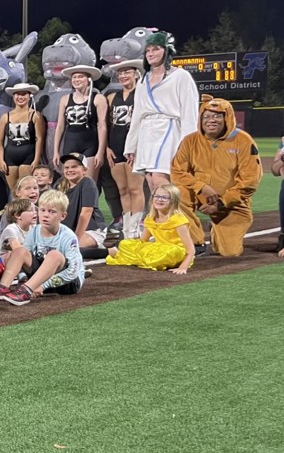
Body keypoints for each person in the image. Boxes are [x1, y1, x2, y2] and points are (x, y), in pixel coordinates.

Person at [170, 96, 262, 257]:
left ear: (227, 118)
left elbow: (250, 181)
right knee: (177, 192)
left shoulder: (243, 140)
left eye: (217, 116)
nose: (211, 120)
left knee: (229, 253)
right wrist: (202, 187)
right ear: (200, 119)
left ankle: (217, 228)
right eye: (206, 116)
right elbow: (177, 171)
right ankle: (195, 242)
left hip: (231, 204)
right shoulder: (190, 140)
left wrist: (222, 202)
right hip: (201, 196)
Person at [124, 30, 200, 191]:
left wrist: (188, 144)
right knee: (150, 180)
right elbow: (137, 114)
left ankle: (172, 215)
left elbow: (189, 113)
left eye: (156, 49)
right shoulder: (143, 81)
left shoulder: (181, 76)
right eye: (148, 50)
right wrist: (131, 145)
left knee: (161, 178)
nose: (150, 54)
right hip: (146, 133)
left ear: (167, 50)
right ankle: (158, 216)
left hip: (169, 129)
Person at [0, 190, 84, 306]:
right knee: (20, 251)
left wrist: (43, 286)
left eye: (52, 212)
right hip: (39, 279)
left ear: (63, 216)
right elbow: (23, 260)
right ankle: (3, 288)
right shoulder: (34, 231)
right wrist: (23, 278)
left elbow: (73, 272)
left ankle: (25, 291)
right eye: (42, 210)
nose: (45, 215)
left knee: (54, 255)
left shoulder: (68, 236)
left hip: (66, 283)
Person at [106, 183, 195, 273]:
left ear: (173, 201)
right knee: (125, 243)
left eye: (164, 198)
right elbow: (143, 241)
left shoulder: (178, 220)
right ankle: (141, 258)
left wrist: (183, 267)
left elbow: (191, 250)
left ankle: (131, 257)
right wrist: (130, 246)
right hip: (159, 248)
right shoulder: (150, 218)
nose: (159, 200)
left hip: (175, 252)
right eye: (157, 196)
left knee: (168, 252)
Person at [104, 60, 147, 238]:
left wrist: (138, 148)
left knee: (135, 189)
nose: (123, 76)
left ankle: (137, 226)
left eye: (127, 72)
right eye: (120, 73)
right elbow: (105, 124)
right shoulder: (112, 97)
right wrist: (106, 147)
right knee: (122, 189)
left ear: (136, 73)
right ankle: (127, 227)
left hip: (135, 147)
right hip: (115, 147)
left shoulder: (142, 94)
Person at [53, 66, 108, 181]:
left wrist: (100, 152)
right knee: (70, 183)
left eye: (80, 77)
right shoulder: (65, 99)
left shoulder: (98, 98)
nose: (77, 79)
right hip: (71, 144)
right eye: (74, 77)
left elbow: (102, 126)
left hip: (90, 145)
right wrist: (55, 151)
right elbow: (60, 126)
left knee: (88, 182)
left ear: (88, 79)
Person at [0, 82, 45, 196]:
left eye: (24, 94)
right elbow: (0, 141)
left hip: (28, 157)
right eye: (17, 94)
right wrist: (0, 159)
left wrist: (36, 158)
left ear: (29, 96)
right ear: (13, 96)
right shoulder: (5, 117)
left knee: (26, 191)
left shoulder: (35, 116)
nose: (20, 97)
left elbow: (40, 139)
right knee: (15, 193)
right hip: (10, 157)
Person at [56, 153, 107, 251]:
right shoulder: (59, 183)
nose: (70, 170)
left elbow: (86, 213)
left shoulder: (87, 183)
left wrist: (75, 239)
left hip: (90, 230)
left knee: (70, 248)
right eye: (67, 167)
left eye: (74, 167)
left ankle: (106, 251)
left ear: (84, 170)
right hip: (68, 230)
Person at [0, 198, 36, 265]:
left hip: (23, 262)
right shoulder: (10, 229)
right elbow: (17, 249)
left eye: (35, 210)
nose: (35, 212)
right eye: (31, 210)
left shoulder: (34, 228)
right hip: (3, 265)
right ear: (18, 215)